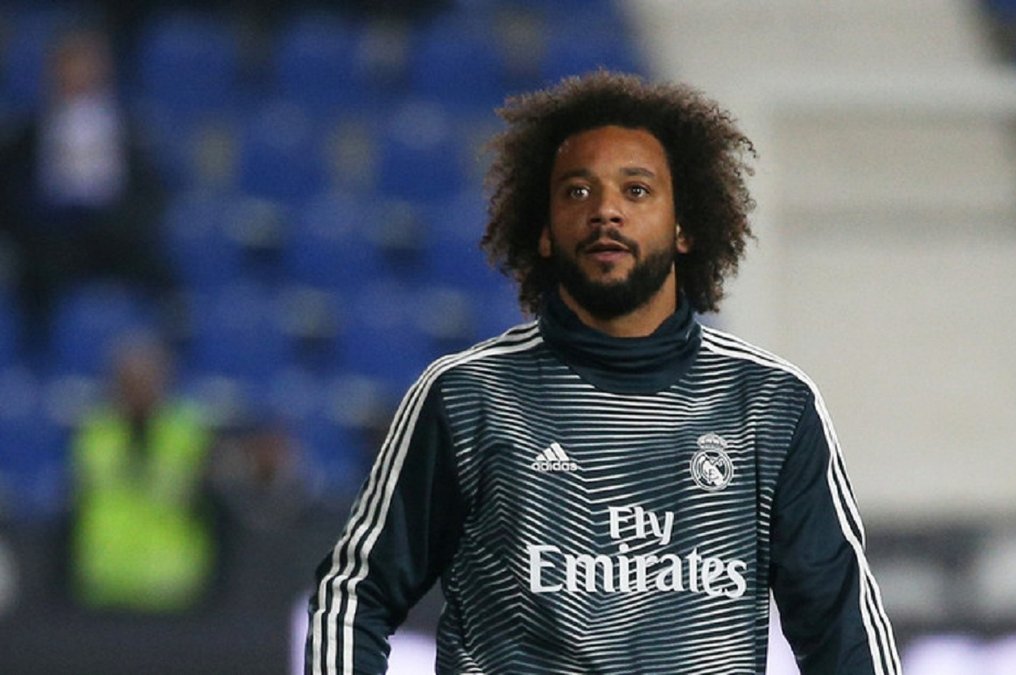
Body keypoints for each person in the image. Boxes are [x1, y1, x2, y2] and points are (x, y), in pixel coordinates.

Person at [307, 71, 901, 674]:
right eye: (577, 192)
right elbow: (354, 597)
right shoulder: (469, 397)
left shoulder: (771, 404)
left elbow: (843, 631)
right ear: (544, 232)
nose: (606, 211)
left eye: (636, 190)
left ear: (684, 226)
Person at [0, 25, 172, 354]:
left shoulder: (129, 130)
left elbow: (151, 191)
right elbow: (9, 195)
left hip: (114, 236)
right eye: (70, 65)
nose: (79, 75)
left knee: (160, 269)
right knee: (32, 276)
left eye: (87, 66)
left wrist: (122, 222)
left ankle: (160, 351)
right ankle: (37, 357)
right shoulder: (26, 133)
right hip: (51, 241)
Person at [70, 332, 215, 613]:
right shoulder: (95, 433)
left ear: (163, 382)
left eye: (146, 380)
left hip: (170, 580)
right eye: (130, 381)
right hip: (105, 578)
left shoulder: (187, 433)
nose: (138, 390)